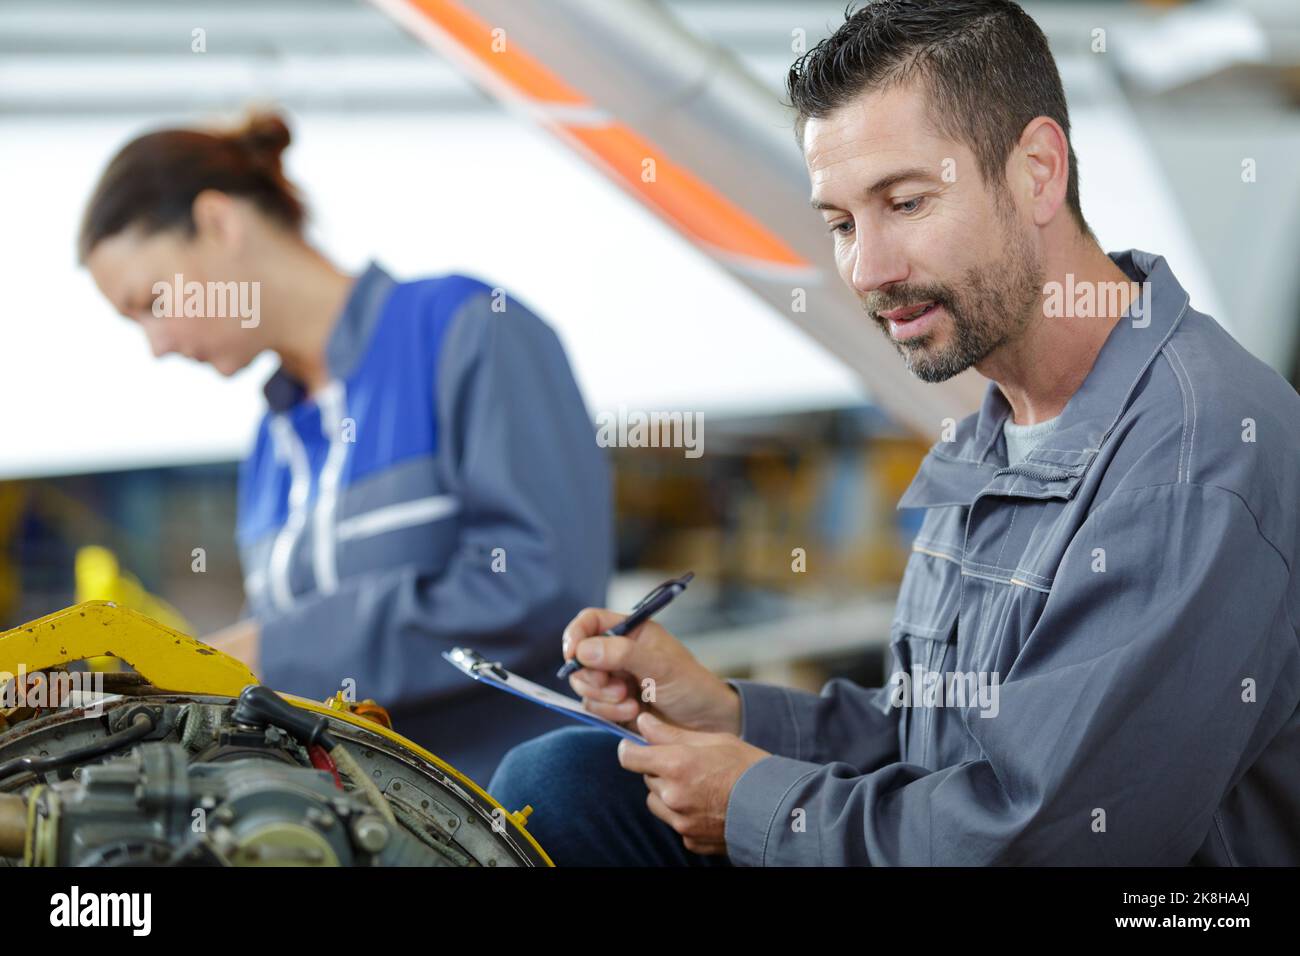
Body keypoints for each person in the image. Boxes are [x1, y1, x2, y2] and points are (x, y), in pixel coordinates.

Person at [488, 0, 1300, 865]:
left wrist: (756, 803)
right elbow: (937, 744)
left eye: (905, 203)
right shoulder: (993, 427)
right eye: (840, 223)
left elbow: (1044, 842)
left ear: (1037, 171)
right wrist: (731, 716)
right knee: (566, 783)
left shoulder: (1194, 461)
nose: (868, 270)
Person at [78, 112, 613, 784]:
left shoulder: (469, 333)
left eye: (152, 301)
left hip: (517, 820)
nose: (156, 346)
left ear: (218, 222)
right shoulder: (271, 453)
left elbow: (540, 586)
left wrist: (273, 649)